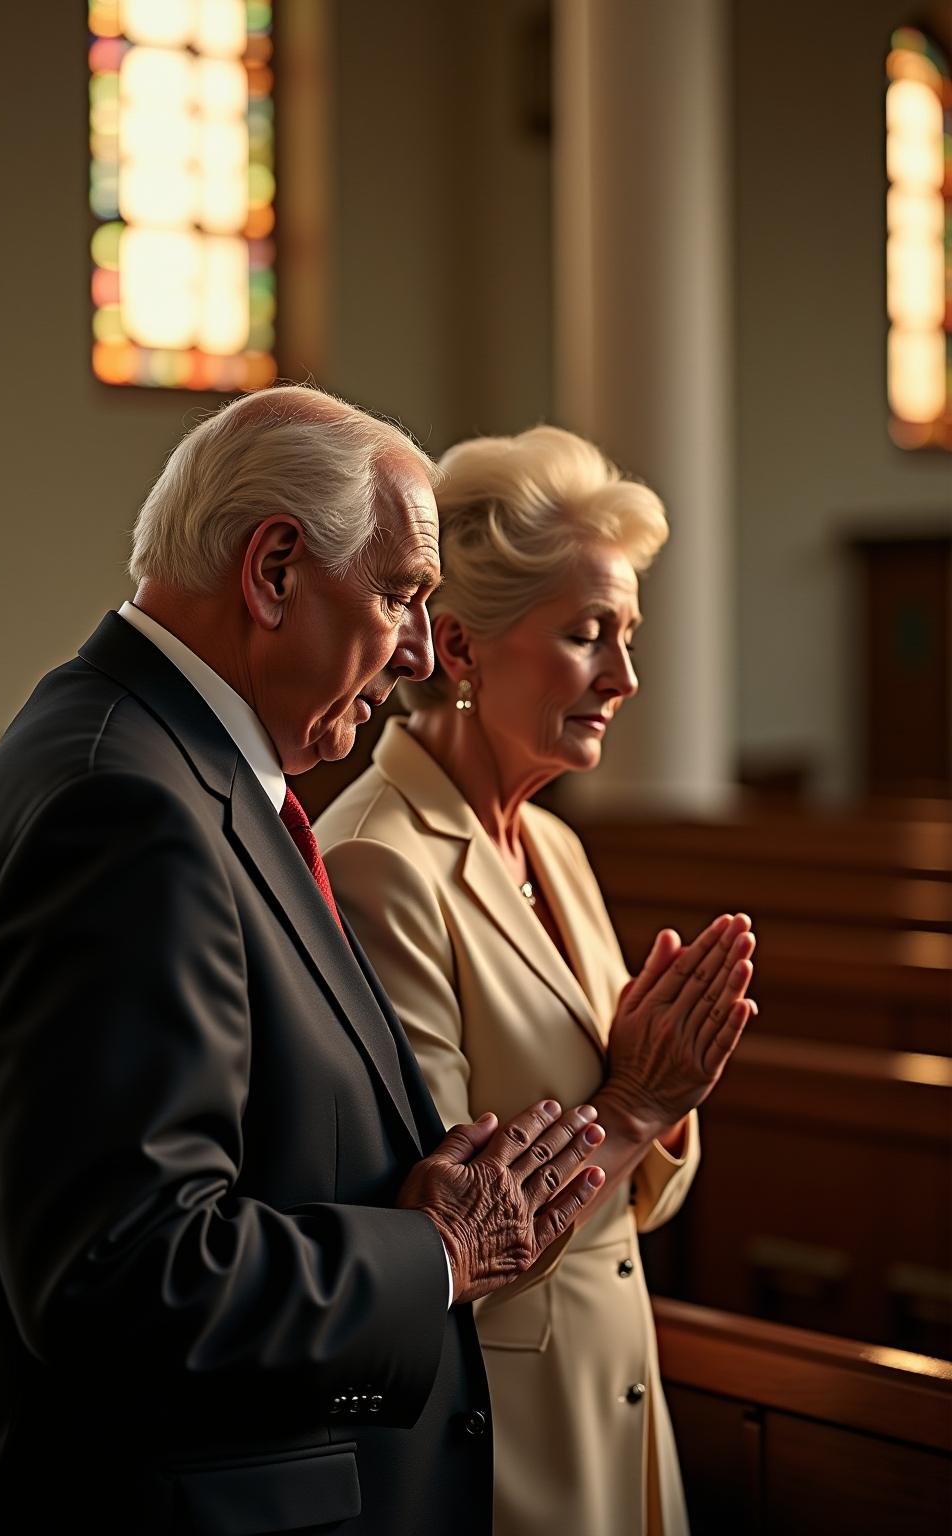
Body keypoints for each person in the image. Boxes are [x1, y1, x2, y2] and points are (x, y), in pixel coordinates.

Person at [0, 388, 618, 1536]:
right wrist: (436, 1253)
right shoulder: (123, 807)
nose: (413, 651)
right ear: (276, 569)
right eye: (401, 596)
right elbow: (125, 1274)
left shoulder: (145, 760)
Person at [316, 425, 757, 1536]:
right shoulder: (378, 860)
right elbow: (432, 1240)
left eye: (628, 635)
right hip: (498, 1441)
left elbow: (634, 1185)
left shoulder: (552, 846)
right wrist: (640, 1100)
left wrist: (660, 1112)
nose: (624, 677)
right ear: (458, 650)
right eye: (585, 636)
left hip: (617, 1398)